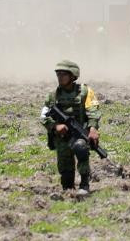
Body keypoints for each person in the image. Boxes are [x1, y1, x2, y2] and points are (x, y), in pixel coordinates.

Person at [41, 59, 101, 194]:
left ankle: (84, 184)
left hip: (79, 133)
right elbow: (44, 116)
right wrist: (55, 126)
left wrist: (92, 129)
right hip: (61, 137)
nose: (60, 77)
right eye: (58, 74)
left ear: (73, 75)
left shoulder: (85, 92)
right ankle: (68, 189)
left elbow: (93, 111)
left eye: (63, 74)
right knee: (65, 167)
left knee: (81, 148)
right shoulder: (53, 96)